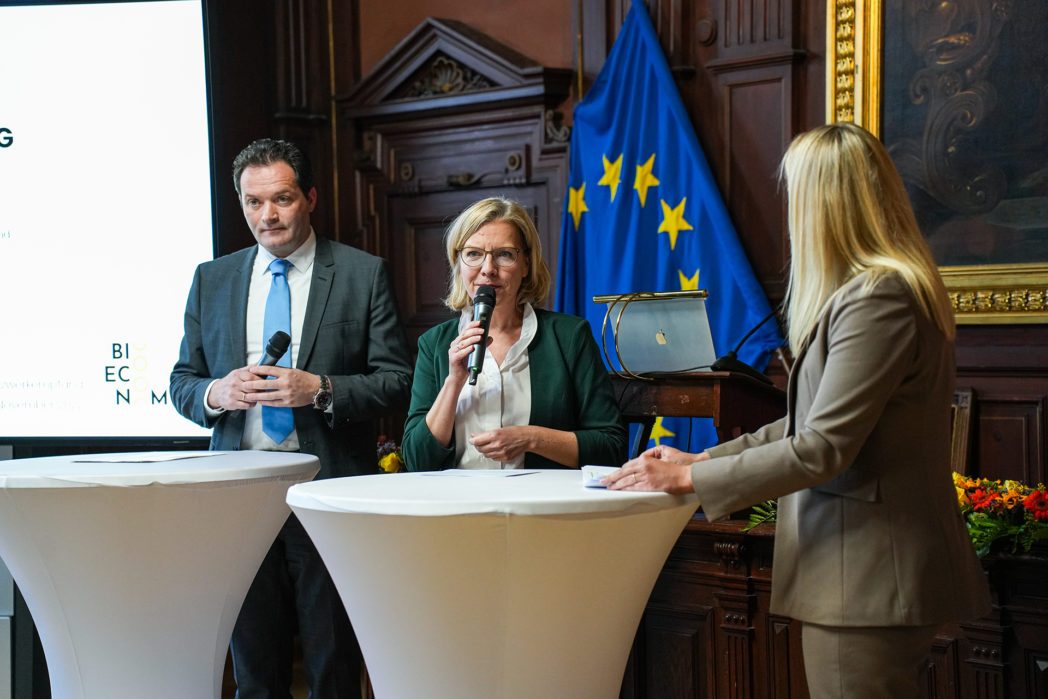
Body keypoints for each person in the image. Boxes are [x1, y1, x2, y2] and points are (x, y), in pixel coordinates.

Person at [604, 123, 991, 698]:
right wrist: (702, 458)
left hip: (867, 574)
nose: (791, 213)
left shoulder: (877, 297)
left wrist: (689, 481)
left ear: (826, 202)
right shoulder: (870, 291)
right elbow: (806, 422)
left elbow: (822, 448)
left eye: (796, 194)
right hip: (861, 570)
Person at [169, 138, 412, 698]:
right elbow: (182, 382)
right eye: (253, 202)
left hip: (327, 491)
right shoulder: (212, 279)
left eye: (281, 199)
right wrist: (217, 392)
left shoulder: (361, 273)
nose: (267, 216)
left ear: (310, 198)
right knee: (255, 673)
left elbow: (396, 381)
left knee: (333, 668)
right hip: (238, 499)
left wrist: (319, 389)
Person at [402, 196, 626, 470]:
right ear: (458, 263)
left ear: (526, 264)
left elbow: (611, 448)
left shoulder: (569, 336)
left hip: (541, 497)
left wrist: (530, 438)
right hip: (458, 497)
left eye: (504, 254)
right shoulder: (434, 344)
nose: (488, 269)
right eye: (473, 254)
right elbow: (416, 462)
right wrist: (453, 381)